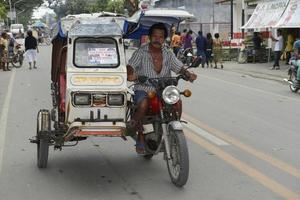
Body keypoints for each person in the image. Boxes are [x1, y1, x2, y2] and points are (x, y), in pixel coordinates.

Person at [126, 23, 197, 154]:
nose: (157, 39)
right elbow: (131, 66)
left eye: (160, 37)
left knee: (177, 102)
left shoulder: (168, 52)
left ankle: (172, 132)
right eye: (154, 36)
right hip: (144, 87)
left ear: (164, 38)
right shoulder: (141, 51)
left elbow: (178, 67)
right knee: (143, 104)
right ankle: (140, 134)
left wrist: (188, 74)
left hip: (164, 90)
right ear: (149, 37)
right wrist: (130, 74)